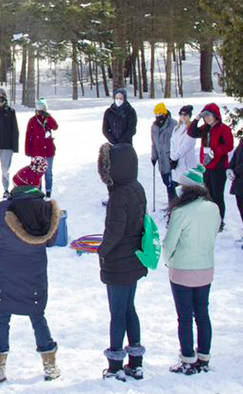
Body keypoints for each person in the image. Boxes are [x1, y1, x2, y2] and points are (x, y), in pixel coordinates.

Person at [0, 161, 62, 383]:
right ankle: (49, 364)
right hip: (34, 271)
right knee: (37, 315)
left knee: (2, 314)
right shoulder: (47, 209)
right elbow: (52, 240)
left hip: (5, 270)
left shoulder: (4, 207)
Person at [97, 143, 148, 381]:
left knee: (117, 312)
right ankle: (135, 361)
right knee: (129, 308)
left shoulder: (118, 195)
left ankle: (116, 364)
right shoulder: (137, 187)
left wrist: (102, 251)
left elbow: (115, 232)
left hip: (118, 261)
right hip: (134, 258)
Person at [162, 168, 219, 375]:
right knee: (203, 313)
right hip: (206, 268)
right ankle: (204, 356)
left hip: (182, 270)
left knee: (185, 317)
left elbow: (169, 244)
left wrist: (169, 262)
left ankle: (187, 358)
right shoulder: (213, 208)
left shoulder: (180, 212)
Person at [190, 103, 234, 223]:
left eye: (209, 115)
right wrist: (197, 119)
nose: (207, 118)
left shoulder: (224, 129)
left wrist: (214, 153)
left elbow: (229, 146)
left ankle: (219, 220)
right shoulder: (205, 129)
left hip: (218, 167)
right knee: (207, 194)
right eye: (205, 116)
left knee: (217, 195)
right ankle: (210, 218)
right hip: (206, 166)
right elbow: (191, 133)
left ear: (216, 116)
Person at [24, 98, 59, 197]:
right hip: (36, 151)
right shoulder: (32, 120)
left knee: (48, 173)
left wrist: (49, 117)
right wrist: (28, 151)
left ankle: (48, 191)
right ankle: (38, 192)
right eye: (39, 108)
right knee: (37, 173)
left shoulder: (48, 119)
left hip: (48, 151)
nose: (40, 111)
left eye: (42, 108)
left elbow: (55, 127)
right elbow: (28, 136)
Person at [150, 103, 176, 200]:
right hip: (162, 161)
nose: (158, 117)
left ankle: (175, 205)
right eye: (156, 114)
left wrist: (175, 158)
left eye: (160, 114)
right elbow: (154, 144)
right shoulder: (154, 127)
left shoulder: (173, 124)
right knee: (167, 183)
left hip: (172, 160)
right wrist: (154, 157)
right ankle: (171, 203)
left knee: (174, 185)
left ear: (164, 113)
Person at [169, 106, 200, 180]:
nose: (183, 116)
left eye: (185, 114)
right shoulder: (176, 128)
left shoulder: (191, 129)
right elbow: (172, 143)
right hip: (177, 164)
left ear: (189, 116)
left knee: (187, 188)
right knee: (178, 188)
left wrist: (174, 157)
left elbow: (185, 146)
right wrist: (172, 156)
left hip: (187, 163)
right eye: (181, 114)